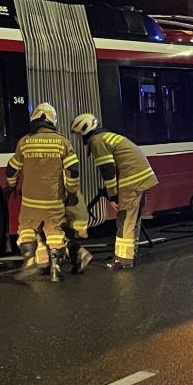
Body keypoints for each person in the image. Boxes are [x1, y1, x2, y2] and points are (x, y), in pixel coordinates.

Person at [70, 113, 158, 270]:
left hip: (131, 181)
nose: (77, 138)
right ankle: (129, 254)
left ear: (84, 129)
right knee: (132, 219)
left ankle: (123, 259)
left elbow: (108, 171)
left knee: (124, 220)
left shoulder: (97, 141)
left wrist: (113, 196)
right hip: (140, 178)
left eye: (77, 134)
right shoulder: (106, 137)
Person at [5, 102, 79, 282]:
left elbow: (12, 169)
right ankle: (56, 269)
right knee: (55, 232)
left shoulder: (24, 142)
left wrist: (11, 185)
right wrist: (72, 191)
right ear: (52, 121)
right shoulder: (62, 142)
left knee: (27, 230)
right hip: (53, 199)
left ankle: (30, 262)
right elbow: (73, 169)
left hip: (30, 201)